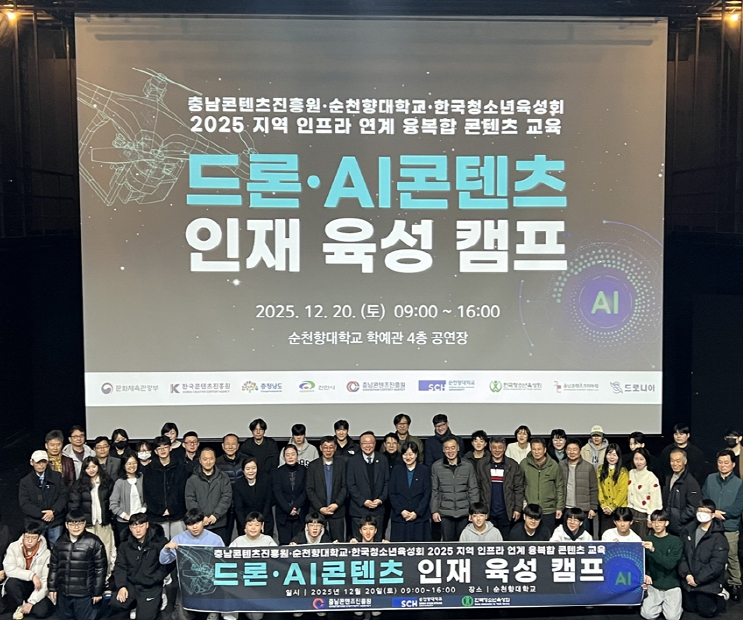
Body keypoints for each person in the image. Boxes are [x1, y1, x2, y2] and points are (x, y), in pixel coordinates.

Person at [159, 508, 223, 620]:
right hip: (186, 584)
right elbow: (163, 561)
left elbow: (223, 561)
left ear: (203, 522)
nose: (194, 527)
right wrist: (166, 549)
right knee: (182, 616)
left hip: (210, 582)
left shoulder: (215, 539)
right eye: (190, 524)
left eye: (197, 523)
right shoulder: (179, 539)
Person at [109, 512, 171, 620]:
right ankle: (135, 605)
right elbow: (120, 566)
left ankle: (159, 598)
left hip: (151, 585)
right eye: (134, 526)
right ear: (130, 528)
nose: (138, 530)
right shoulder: (124, 545)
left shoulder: (159, 542)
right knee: (116, 604)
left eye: (141, 525)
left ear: (147, 525)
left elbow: (168, 564)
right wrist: (121, 586)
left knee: (145, 617)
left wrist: (155, 578)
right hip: (131, 584)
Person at [47, 510, 107, 620]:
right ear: (66, 525)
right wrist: (52, 588)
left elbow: (100, 569)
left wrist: (97, 592)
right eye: (72, 524)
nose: (76, 527)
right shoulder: (60, 542)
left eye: (79, 523)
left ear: (84, 524)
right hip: (64, 593)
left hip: (84, 594)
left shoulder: (94, 542)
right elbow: (54, 566)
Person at [701, 449, 743, 600]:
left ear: (733, 464)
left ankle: (735, 584)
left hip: (729, 526)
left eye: (726, 462)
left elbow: (738, 508)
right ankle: (711, 583)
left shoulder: (739, 483)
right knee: (709, 555)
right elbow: (704, 498)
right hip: (711, 525)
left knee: (731, 556)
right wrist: (712, 513)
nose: (723, 465)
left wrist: (719, 513)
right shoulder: (710, 479)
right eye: (720, 462)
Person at [678, 500, 730, 618]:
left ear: (713, 515)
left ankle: (720, 595)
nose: (702, 514)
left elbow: (717, 564)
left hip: (707, 582)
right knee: (689, 608)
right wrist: (687, 574)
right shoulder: (688, 531)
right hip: (689, 580)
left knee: (707, 612)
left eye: (706, 511)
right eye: (700, 510)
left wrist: (698, 580)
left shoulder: (719, 537)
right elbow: (682, 555)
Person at [223, 512, 277, 620]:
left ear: (262, 526)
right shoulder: (238, 541)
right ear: (245, 526)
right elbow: (227, 561)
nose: (253, 528)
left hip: (259, 584)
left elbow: (278, 562)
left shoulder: (268, 541)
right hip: (240, 582)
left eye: (257, 525)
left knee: (256, 618)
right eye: (250, 524)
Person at [67, 456, 115, 576]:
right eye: (88, 468)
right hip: (87, 524)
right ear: (84, 469)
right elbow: (74, 507)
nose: (91, 470)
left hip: (104, 522)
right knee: (87, 552)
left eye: (94, 466)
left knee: (106, 550)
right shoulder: (78, 485)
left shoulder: (107, 482)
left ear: (98, 467)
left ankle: (105, 577)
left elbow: (112, 501)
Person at [1, 521, 54, 619]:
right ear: (23, 536)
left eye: (33, 538)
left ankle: (23, 606)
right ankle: (20, 605)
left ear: (39, 538)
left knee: (41, 612)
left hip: (37, 587)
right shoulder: (13, 547)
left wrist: (31, 602)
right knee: (11, 583)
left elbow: (45, 581)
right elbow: (9, 569)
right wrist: (32, 575)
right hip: (19, 586)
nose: (29, 541)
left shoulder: (46, 554)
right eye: (27, 537)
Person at [430, 437, 479, 541]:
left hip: (464, 512)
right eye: (447, 448)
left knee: (464, 543)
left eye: (453, 448)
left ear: (458, 448)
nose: (450, 451)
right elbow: (435, 490)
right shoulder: (436, 466)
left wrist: (474, 511)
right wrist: (434, 511)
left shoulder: (468, 466)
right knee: (448, 544)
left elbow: (473, 489)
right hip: (445, 513)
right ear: (443, 450)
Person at [477, 436, 525, 539]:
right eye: (494, 447)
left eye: (500, 447)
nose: (497, 450)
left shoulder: (513, 465)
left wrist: (517, 508)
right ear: (490, 448)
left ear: (505, 448)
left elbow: (518, 488)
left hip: (506, 511)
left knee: (505, 540)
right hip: (487, 511)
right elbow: (478, 487)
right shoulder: (482, 464)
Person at [18, 450, 67, 548]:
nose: (41, 465)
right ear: (32, 462)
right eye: (38, 462)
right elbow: (25, 503)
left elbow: (63, 496)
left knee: (56, 548)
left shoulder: (57, 476)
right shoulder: (25, 481)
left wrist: (53, 511)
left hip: (55, 520)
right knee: (36, 549)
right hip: (35, 522)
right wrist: (42, 514)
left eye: (43, 462)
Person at [640, 509, 683, 620]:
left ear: (666, 523)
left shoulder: (675, 541)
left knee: (672, 618)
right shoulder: (646, 540)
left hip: (671, 586)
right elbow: (642, 562)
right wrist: (646, 574)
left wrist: (653, 550)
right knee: (647, 614)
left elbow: (670, 564)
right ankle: (661, 606)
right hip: (654, 585)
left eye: (660, 521)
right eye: (654, 521)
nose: (657, 524)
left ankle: (672, 606)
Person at [143, 435, 189, 539]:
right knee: (160, 546)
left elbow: (183, 491)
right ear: (155, 451)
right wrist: (160, 510)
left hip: (177, 515)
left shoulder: (181, 467)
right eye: (159, 448)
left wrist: (172, 509)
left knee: (178, 545)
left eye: (165, 447)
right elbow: (147, 493)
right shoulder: (149, 469)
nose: (163, 450)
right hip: (157, 516)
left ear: (170, 448)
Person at [347, 431, 389, 542]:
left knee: (377, 544)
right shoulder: (353, 461)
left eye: (370, 443)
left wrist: (380, 499)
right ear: (360, 445)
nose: (368, 446)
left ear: (375, 444)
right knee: (358, 544)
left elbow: (387, 482)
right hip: (358, 510)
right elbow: (350, 484)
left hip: (378, 510)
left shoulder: (383, 459)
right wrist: (363, 501)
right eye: (364, 443)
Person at [185, 447, 233, 543]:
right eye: (205, 459)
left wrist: (216, 515)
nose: (208, 462)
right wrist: (201, 517)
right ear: (200, 460)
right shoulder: (192, 480)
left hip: (219, 523)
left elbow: (226, 497)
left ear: (215, 459)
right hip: (198, 523)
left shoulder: (223, 478)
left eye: (211, 459)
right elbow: (190, 499)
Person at [306, 436, 347, 542]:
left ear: (335, 448)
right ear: (320, 448)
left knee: (338, 543)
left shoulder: (342, 464)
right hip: (318, 512)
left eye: (331, 447)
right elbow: (309, 489)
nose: (328, 450)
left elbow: (345, 486)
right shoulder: (313, 466)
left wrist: (336, 504)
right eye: (325, 447)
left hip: (337, 512)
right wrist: (320, 507)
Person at [388, 441, 431, 542]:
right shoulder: (396, 470)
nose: (408, 457)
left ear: (416, 454)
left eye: (411, 454)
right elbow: (392, 493)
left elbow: (427, 494)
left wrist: (417, 512)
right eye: (405, 454)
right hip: (400, 518)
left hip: (420, 518)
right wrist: (401, 511)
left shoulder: (424, 470)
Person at [521, 437, 564, 532]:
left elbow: (559, 487)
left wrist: (559, 507)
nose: (536, 452)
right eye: (534, 449)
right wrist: (523, 503)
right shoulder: (524, 464)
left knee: (547, 536)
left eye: (539, 449)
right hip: (530, 509)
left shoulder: (554, 465)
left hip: (548, 509)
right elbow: (520, 486)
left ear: (544, 450)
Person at [559, 438, 598, 537]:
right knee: (566, 537)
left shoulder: (588, 467)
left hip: (583, 510)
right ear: (565, 451)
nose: (572, 452)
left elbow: (593, 488)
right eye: (569, 449)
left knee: (584, 537)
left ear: (580, 451)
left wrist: (593, 508)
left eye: (575, 449)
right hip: (566, 508)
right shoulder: (560, 465)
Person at [662, 448, 701, 536]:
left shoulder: (691, 482)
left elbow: (693, 507)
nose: (675, 464)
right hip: (668, 526)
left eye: (678, 461)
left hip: (682, 528)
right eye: (672, 461)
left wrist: (678, 519)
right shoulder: (668, 477)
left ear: (685, 461)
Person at [273, 445, 308, 545]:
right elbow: (277, 493)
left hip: (300, 513)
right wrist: (288, 509)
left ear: (297, 455)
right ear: (284, 457)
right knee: (284, 544)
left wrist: (295, 506)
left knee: (300, 544)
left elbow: (306, 491)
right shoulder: (278, 472)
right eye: (287, 455)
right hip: (283, 514)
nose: (290, 457)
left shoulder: (304, 470)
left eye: (293, 454)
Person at [233, 458, 274, 540]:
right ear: (243, 470)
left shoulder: (266, 480)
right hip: (246, 522)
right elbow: (239, 509)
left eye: (253, 468)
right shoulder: (238, 485)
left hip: (265, 520)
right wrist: (246, 525)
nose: (251, 471)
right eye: (248, 469)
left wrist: (261, 522)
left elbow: (268, 501)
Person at [110, 453, 146, 541]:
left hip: (142, 520)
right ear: (124, 465)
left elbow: (149, 497)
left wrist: (142, 512)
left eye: (134, 463)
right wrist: (127, 517)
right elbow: (113, 505)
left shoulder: (142, 478)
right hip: (124, 522)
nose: (132, 466)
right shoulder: (119, 482)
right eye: (129, 464)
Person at [215, 433, 244, 544]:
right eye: (227, 444)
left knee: (245, 535)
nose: (230, 447)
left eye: (233, 444)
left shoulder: (245, 461)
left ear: (238, 446)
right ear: (223, 446)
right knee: (224, 537)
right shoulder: (217, 463)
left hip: (243, 504)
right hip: (225, 505)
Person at [628, 448, 662, 538]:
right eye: (636, 459)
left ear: (646, 460)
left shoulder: (651, 477)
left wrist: (651, 517)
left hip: (643, 515)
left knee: (642, 541)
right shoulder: (630, 473)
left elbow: (655, 500)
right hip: (629, 513)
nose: (638, 462)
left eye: (641, 459)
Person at [597, 443, 629, 535]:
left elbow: (623, 491)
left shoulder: (623, 471)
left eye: (615, 454)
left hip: (620, 509)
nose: (612, 457)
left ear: (619, 457)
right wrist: (604, 505)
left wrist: (612, 507)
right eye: (609, 454)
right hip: (604, 509)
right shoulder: (600, 469)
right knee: (605, 534)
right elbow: (599, 489)